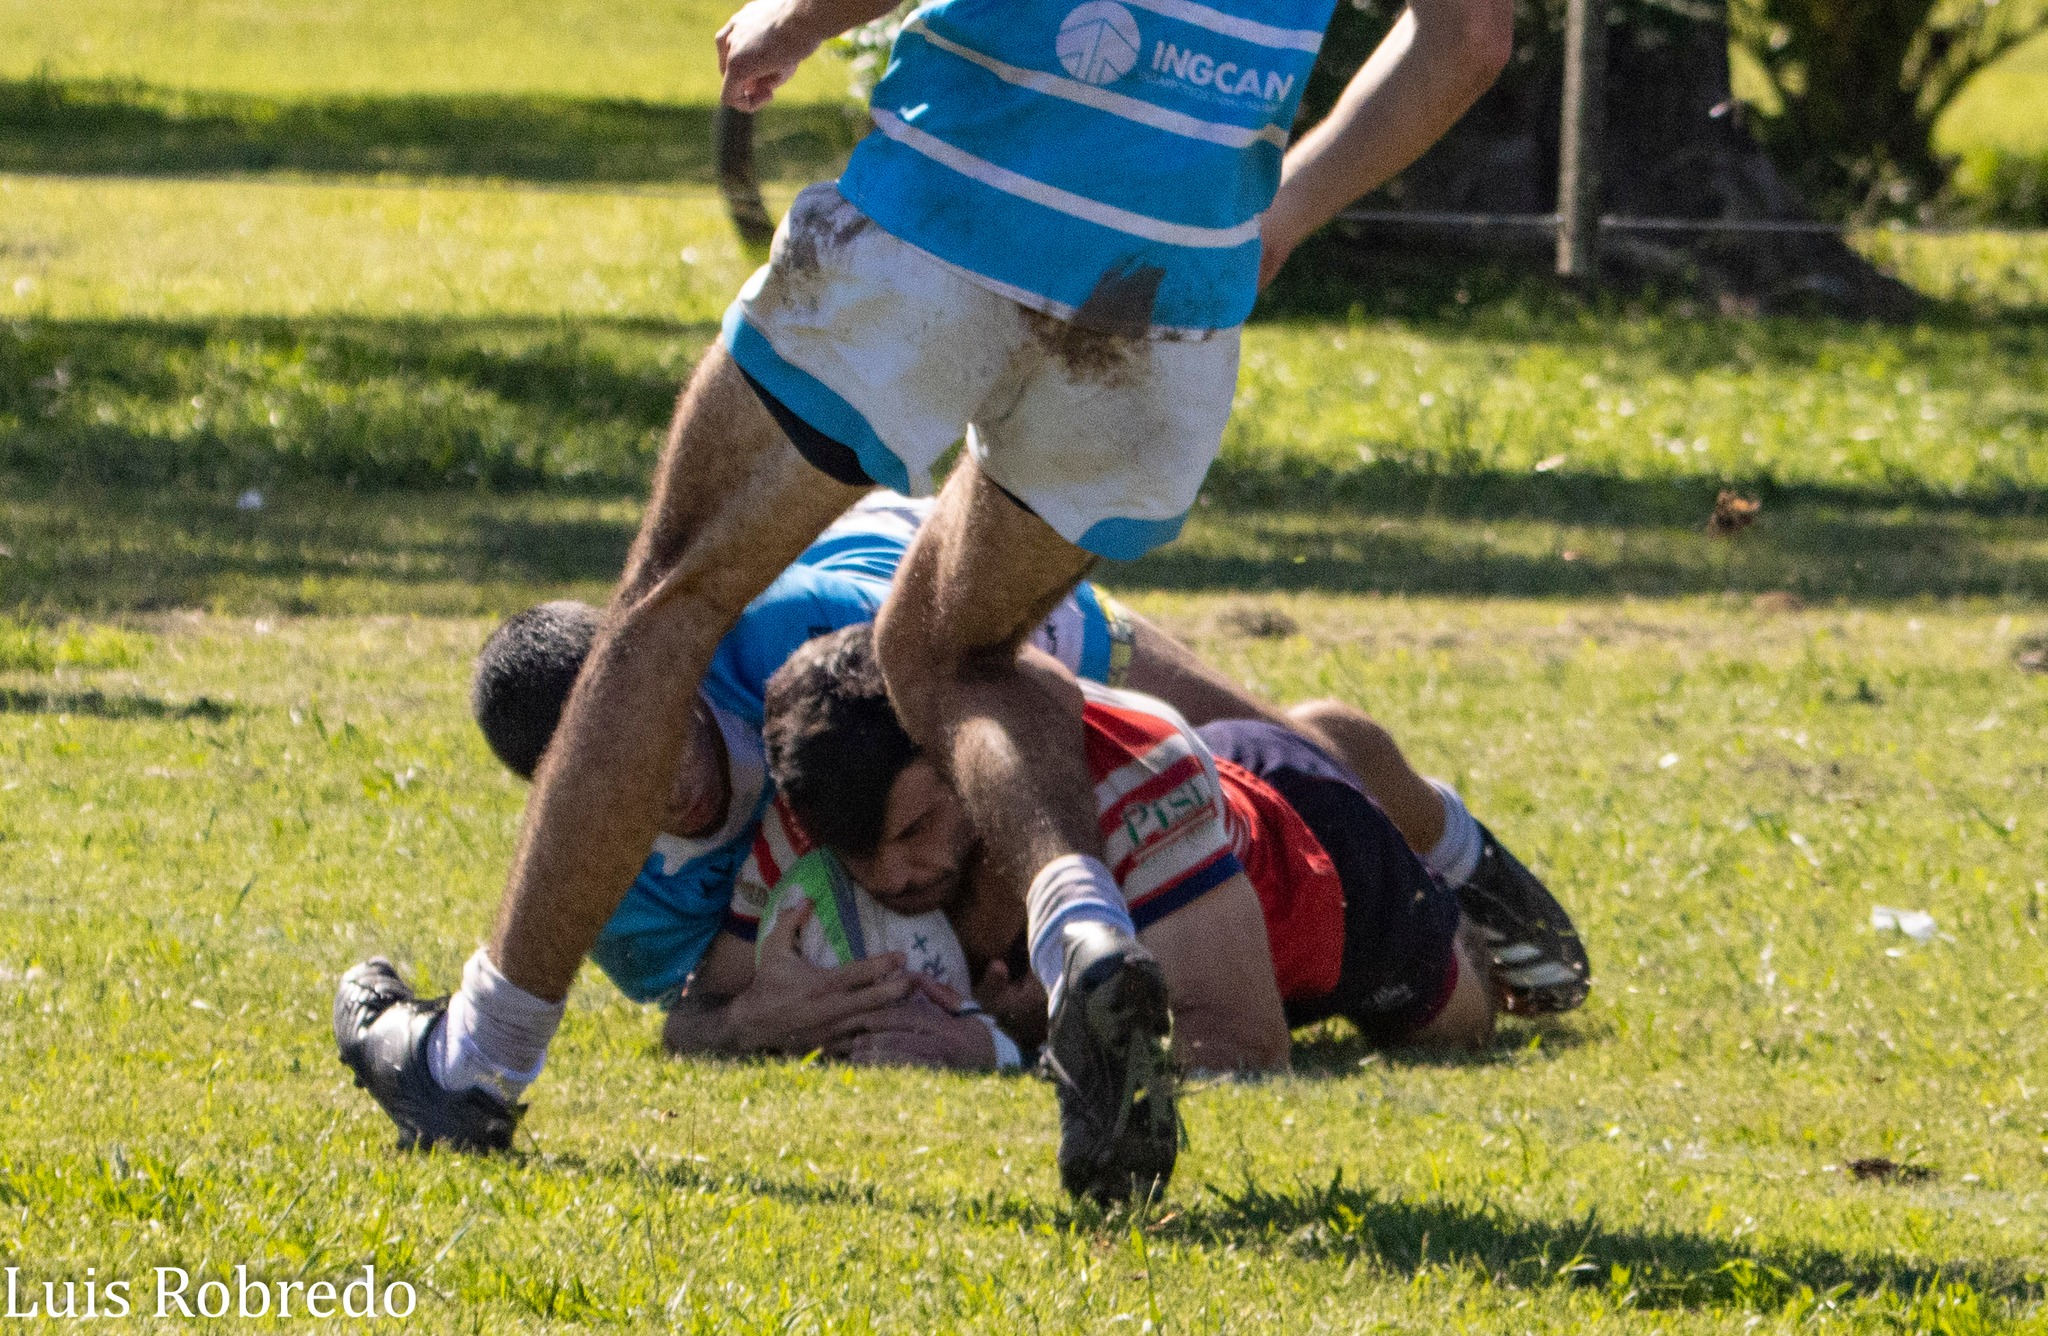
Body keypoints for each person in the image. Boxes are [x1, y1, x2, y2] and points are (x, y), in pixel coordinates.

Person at [334, 0, 1515, 1197]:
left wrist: (793, 24)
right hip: (1170, 283)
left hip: (952, 201)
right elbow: (1468, 39)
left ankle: (472, 1061)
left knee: (670, 605)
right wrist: (1281, 214)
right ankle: (1082, 934)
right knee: (956, 654)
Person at [692, 625, 1580, 1107]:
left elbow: (1247, 1047)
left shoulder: (1129, 785)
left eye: (923, 822)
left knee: (1469, 1017)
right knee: (1256, 752)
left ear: (959, 748)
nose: (893, 874)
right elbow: (695, 1015)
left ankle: (1429, 835)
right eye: (861, 856)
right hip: (1210, 806)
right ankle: (1315, 744)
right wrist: (742, 1025)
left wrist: (1006, 1048)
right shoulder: (824, 799)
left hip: (1313, 869)